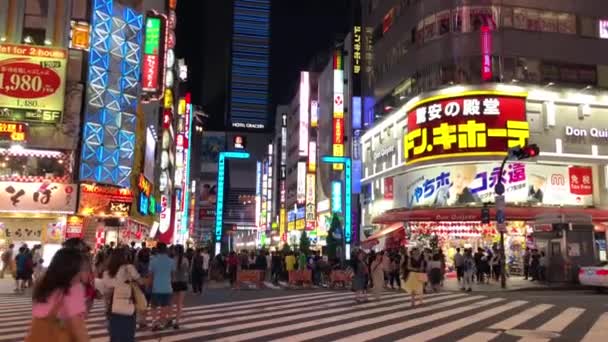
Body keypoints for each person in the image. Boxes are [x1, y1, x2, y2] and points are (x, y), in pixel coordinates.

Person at [27, 248, 89, 342]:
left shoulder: (43, 283)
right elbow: (78, 327)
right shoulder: (74, 288)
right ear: (73, 270)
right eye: (83, 269)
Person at [102, 247, 142, 341]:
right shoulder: (129, 268)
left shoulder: (107, 273)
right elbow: (140, 282)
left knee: (115, 336)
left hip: (113, 307)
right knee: (128, 335)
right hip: (128, 304)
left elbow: (106, 293)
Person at [148, 242, 176, 331]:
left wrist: (149, 285)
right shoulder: (171, 261)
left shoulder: (153, 261)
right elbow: (172, 276)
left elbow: (151, 276)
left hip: (155, 287)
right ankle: (160, 323)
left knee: (154, 306)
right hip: (167, 287)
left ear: (157, 249)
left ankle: (154, 323)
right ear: (166, 250)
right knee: (165, 306)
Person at [171, 245, 188, 329]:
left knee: (172, 303)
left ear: (175, 251)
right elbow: (186, 271)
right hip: (183, 283)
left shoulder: (172, 260)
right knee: (180, 304)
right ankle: (177, 322)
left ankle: (169, 319)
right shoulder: (185, 260)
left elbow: (171, 272)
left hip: (174, 283)